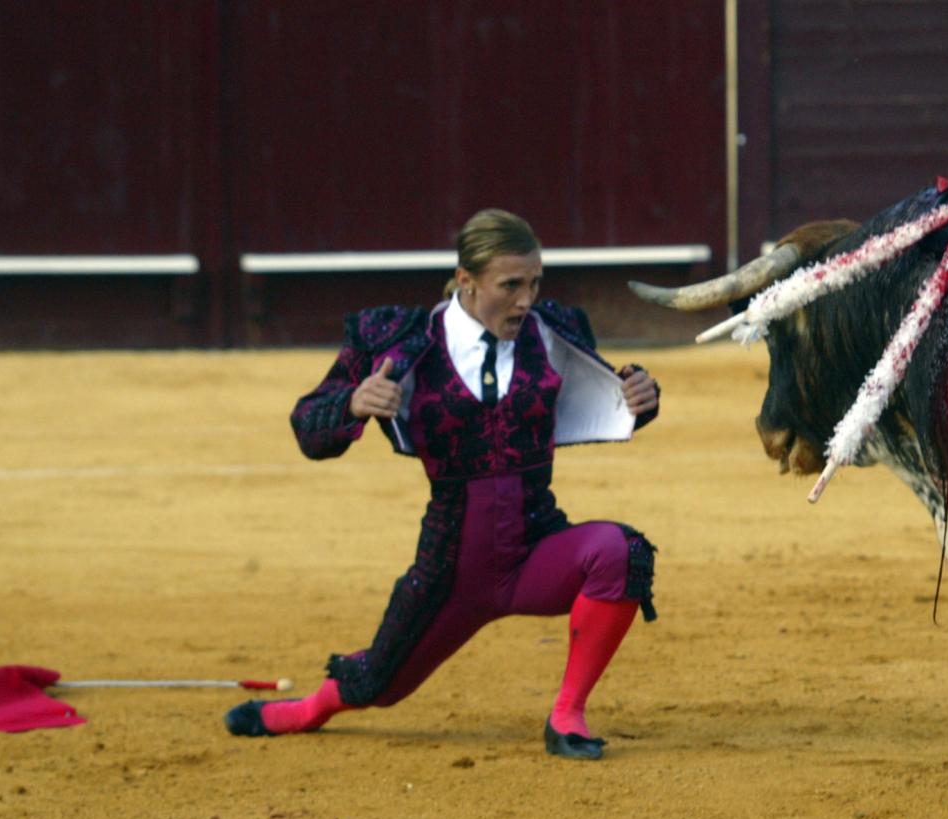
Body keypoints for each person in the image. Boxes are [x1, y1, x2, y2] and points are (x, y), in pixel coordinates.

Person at [224, 209, 660, 760]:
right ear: (466, 281)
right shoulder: (402, 340)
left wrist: (642, 397)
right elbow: (308, 425)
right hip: (450, 570)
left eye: (534, 283)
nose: (526, 300)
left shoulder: (553, 331)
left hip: (536, 547)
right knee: (379, 685)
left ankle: (567, 717)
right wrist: (353, 403)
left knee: (621, 553)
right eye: (510, 286)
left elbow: (606, 399)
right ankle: (307, 709)